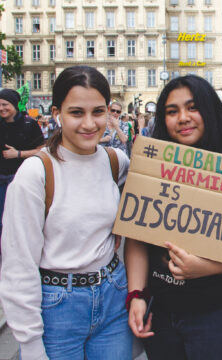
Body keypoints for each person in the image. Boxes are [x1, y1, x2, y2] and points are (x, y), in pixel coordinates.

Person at [124, 75, 222, 360]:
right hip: (160, 313)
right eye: (172, 111)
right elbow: (136, 236)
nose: (183, 118)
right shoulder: (151, 160)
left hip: (217, 314)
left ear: (210, 109)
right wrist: (136, 294)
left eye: (192, 107)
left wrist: (208, 267)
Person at [0, 66, 132, 360]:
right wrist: (31, 343)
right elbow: (18, 263)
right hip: (57, 307)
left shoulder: (116, 161)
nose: (89, 123)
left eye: (98, 111)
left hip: (113, 296)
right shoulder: (35, 173)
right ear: (58, 113)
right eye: (76, 113)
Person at [0, 88, 44, 246]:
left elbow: (42, 150)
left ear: (14, 105)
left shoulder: (29, 124)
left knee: (19, 221)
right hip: (1, 180)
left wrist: (18, 154)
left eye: (5, 104)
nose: (1, 108)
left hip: (20, 179)